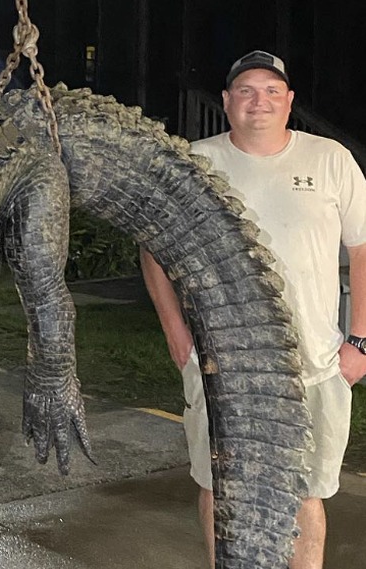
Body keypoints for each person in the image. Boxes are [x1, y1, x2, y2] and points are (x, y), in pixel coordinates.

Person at [140, 50, 366, 568]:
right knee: (221, 489)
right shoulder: (195, 163)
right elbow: (152, 246)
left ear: (289, 101)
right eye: (245, 90)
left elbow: (363, 248)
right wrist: (176, 331)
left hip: (312, 363)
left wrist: (360, 340)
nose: (257, 100)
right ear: (226, 101)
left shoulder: (329, 159)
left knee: (306, 492)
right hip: (221, 366)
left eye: (270, 90)